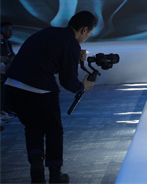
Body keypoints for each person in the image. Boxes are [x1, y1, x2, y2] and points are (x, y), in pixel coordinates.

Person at [5, 11, 97, 183]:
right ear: (84, 29)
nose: (86, 38)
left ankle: (36, 164)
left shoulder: (49, 32)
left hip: (13, 85)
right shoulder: (71, 43)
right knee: (54, 130)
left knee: (32, 127)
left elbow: (45, 60)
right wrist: (82, 86)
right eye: (89, 34)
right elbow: (68, 81)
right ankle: (55, 174)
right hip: (40, 88)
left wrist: (74, 57)